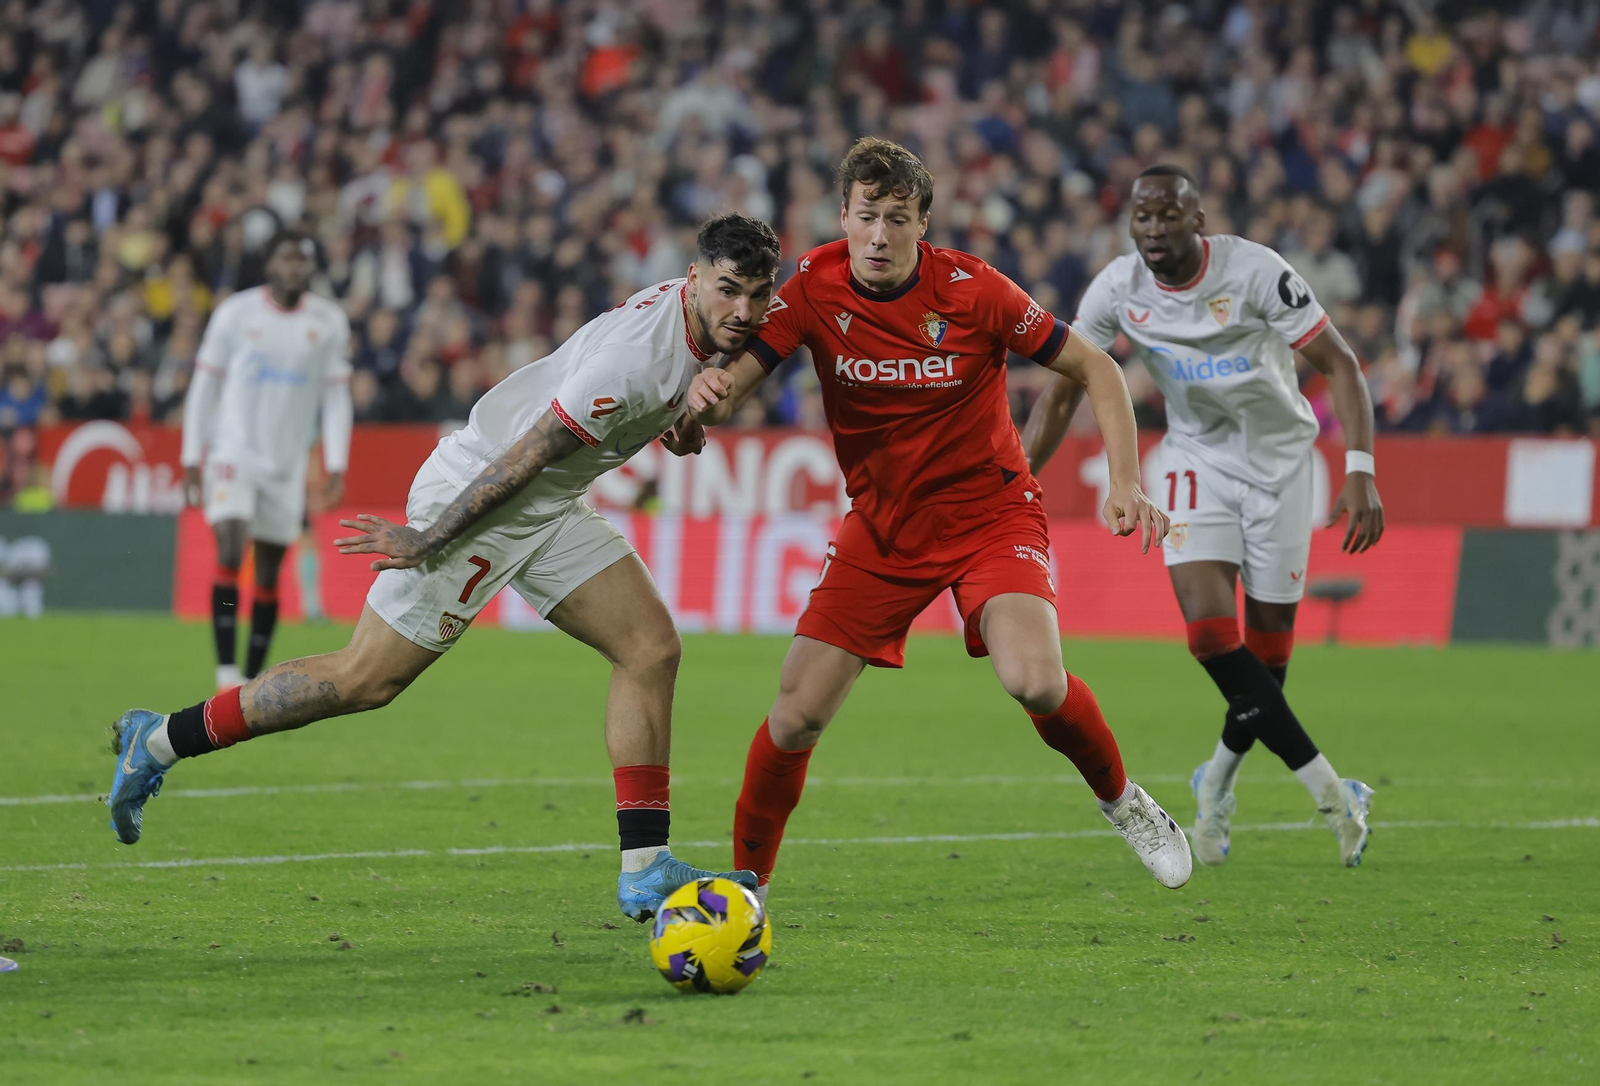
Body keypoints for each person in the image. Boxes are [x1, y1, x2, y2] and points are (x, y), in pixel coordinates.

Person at [108, 214, 780, 920]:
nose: (742, 311)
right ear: (697, 277)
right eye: (728, 290)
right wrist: (429, 537)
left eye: (756, 295)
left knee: (650, 649)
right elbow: (533, 451)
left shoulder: (696, 317)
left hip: (547, 504)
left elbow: (655, 399)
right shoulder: (638, 360)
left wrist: (684, 418)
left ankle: (644, 867)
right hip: (486, 489)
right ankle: (158, 738)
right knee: (365, 679)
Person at [686, 138, 1191, 901]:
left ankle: (1125, 801)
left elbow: (1097, 366)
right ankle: (746, 888)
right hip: (884, 525)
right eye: (867, 216)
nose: (881, 234)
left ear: (924, 222)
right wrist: (704, 401)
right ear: (843, 218)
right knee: (793, 718)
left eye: (898, 217)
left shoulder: (974, 289)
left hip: (991, 511)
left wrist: (1125, 480)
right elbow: (735, 391)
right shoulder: (812, 289)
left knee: (1034, 680)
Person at [1022, 165, 1385, 867]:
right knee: (1213, 637)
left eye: (1167, 216)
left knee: (1268, 662)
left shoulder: (1256, 274)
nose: (1153, 229)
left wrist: (1362, 472)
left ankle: (1215, 778)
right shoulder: (1119, 288)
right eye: (1142, 217)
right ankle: (1333, 791)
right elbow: (1063, 390)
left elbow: (1341, 364)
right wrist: (1015, 479)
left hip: (1282, 465)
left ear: (1199, 219)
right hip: (1194, 461)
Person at [180, 231, 353, 690]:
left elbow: (336, 396)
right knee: (233, 548)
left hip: (287, 463)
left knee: (271, 570)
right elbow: (205, 385)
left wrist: (337, 463)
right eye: (286, 258)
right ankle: (224, 671)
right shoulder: (236, 313)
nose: (295, 266)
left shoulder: (328, 321)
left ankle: (251, 679)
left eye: (302, 258)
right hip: (233, 451)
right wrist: (191, 455)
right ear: (269, 264)